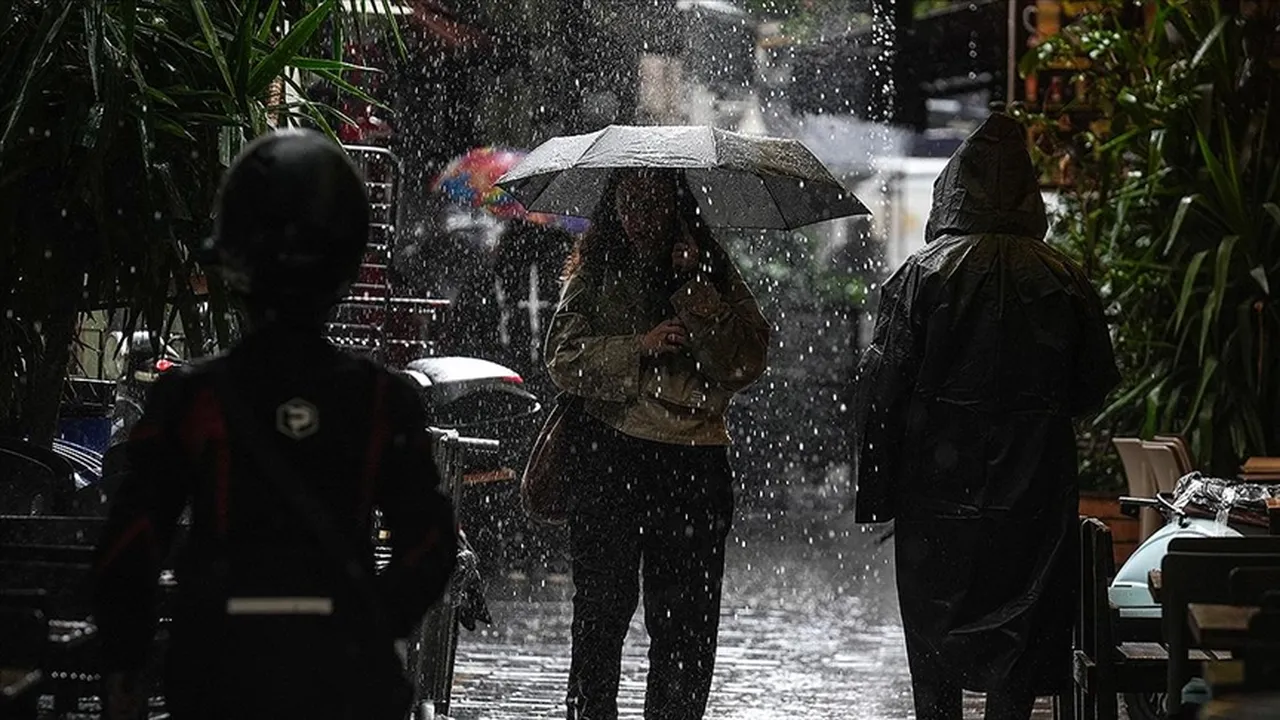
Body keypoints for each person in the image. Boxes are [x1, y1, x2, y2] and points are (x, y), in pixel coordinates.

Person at [93, 129, 458, 720]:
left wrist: (125, 666)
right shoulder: (382, 403)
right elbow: (431, 547)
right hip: (346, 686)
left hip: (219, 678)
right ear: (346, 261)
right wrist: (360, 623)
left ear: (236, 263)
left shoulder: (192, 399)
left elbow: (129, 549)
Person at [851, 113, 1121, 720]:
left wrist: (879, 490)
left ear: (953, 188)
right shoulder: (1064, 280)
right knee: (1018, 645)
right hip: (1033, 491)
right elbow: (1094, 382)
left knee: (934, 640)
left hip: (935, 495)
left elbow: (882, 389)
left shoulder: (919, 277)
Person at [545, 168, 770, 720]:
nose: (637, 219)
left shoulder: (711, 269)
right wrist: (636, 348)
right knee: (600, 613)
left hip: (692, 464)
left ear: (675, 206)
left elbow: (745, 361)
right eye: (626, 203)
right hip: (609, 454)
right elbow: (562, 357)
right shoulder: (595, 269)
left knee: (685, 625)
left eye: (650, 203)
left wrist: (695, 291)